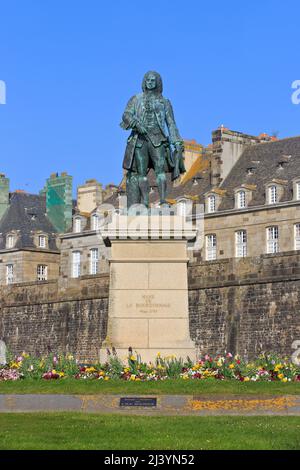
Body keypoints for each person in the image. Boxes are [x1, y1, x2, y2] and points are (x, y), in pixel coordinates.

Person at [121, 71, 185, 208]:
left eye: (153, 80)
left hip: (158, 139)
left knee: (160, 171)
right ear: (144, 82)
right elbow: (126, 115)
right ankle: (144, 202)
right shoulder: (136, 99)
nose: (150, 82)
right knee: (141, 173)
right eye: (147, 80)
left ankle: (162, 200)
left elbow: (171, 123)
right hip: (140, 139)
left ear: (158, 83)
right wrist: (136, 124)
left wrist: (176, 140)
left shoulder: (165, 102)